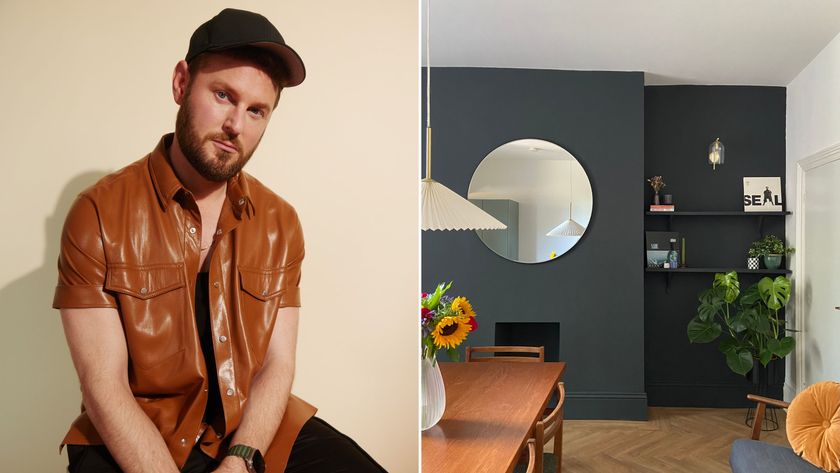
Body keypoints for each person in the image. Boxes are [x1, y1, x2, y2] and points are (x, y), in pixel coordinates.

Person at [53, 9, 386, 473]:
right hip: (135, 430)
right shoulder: (98, 214)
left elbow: (277, 366)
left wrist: (242, 457)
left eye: (256, 110)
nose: (236, 125)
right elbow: (102, 386)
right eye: (223, 95)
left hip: (244, 426)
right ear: (181, 83)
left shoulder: (280, 222)